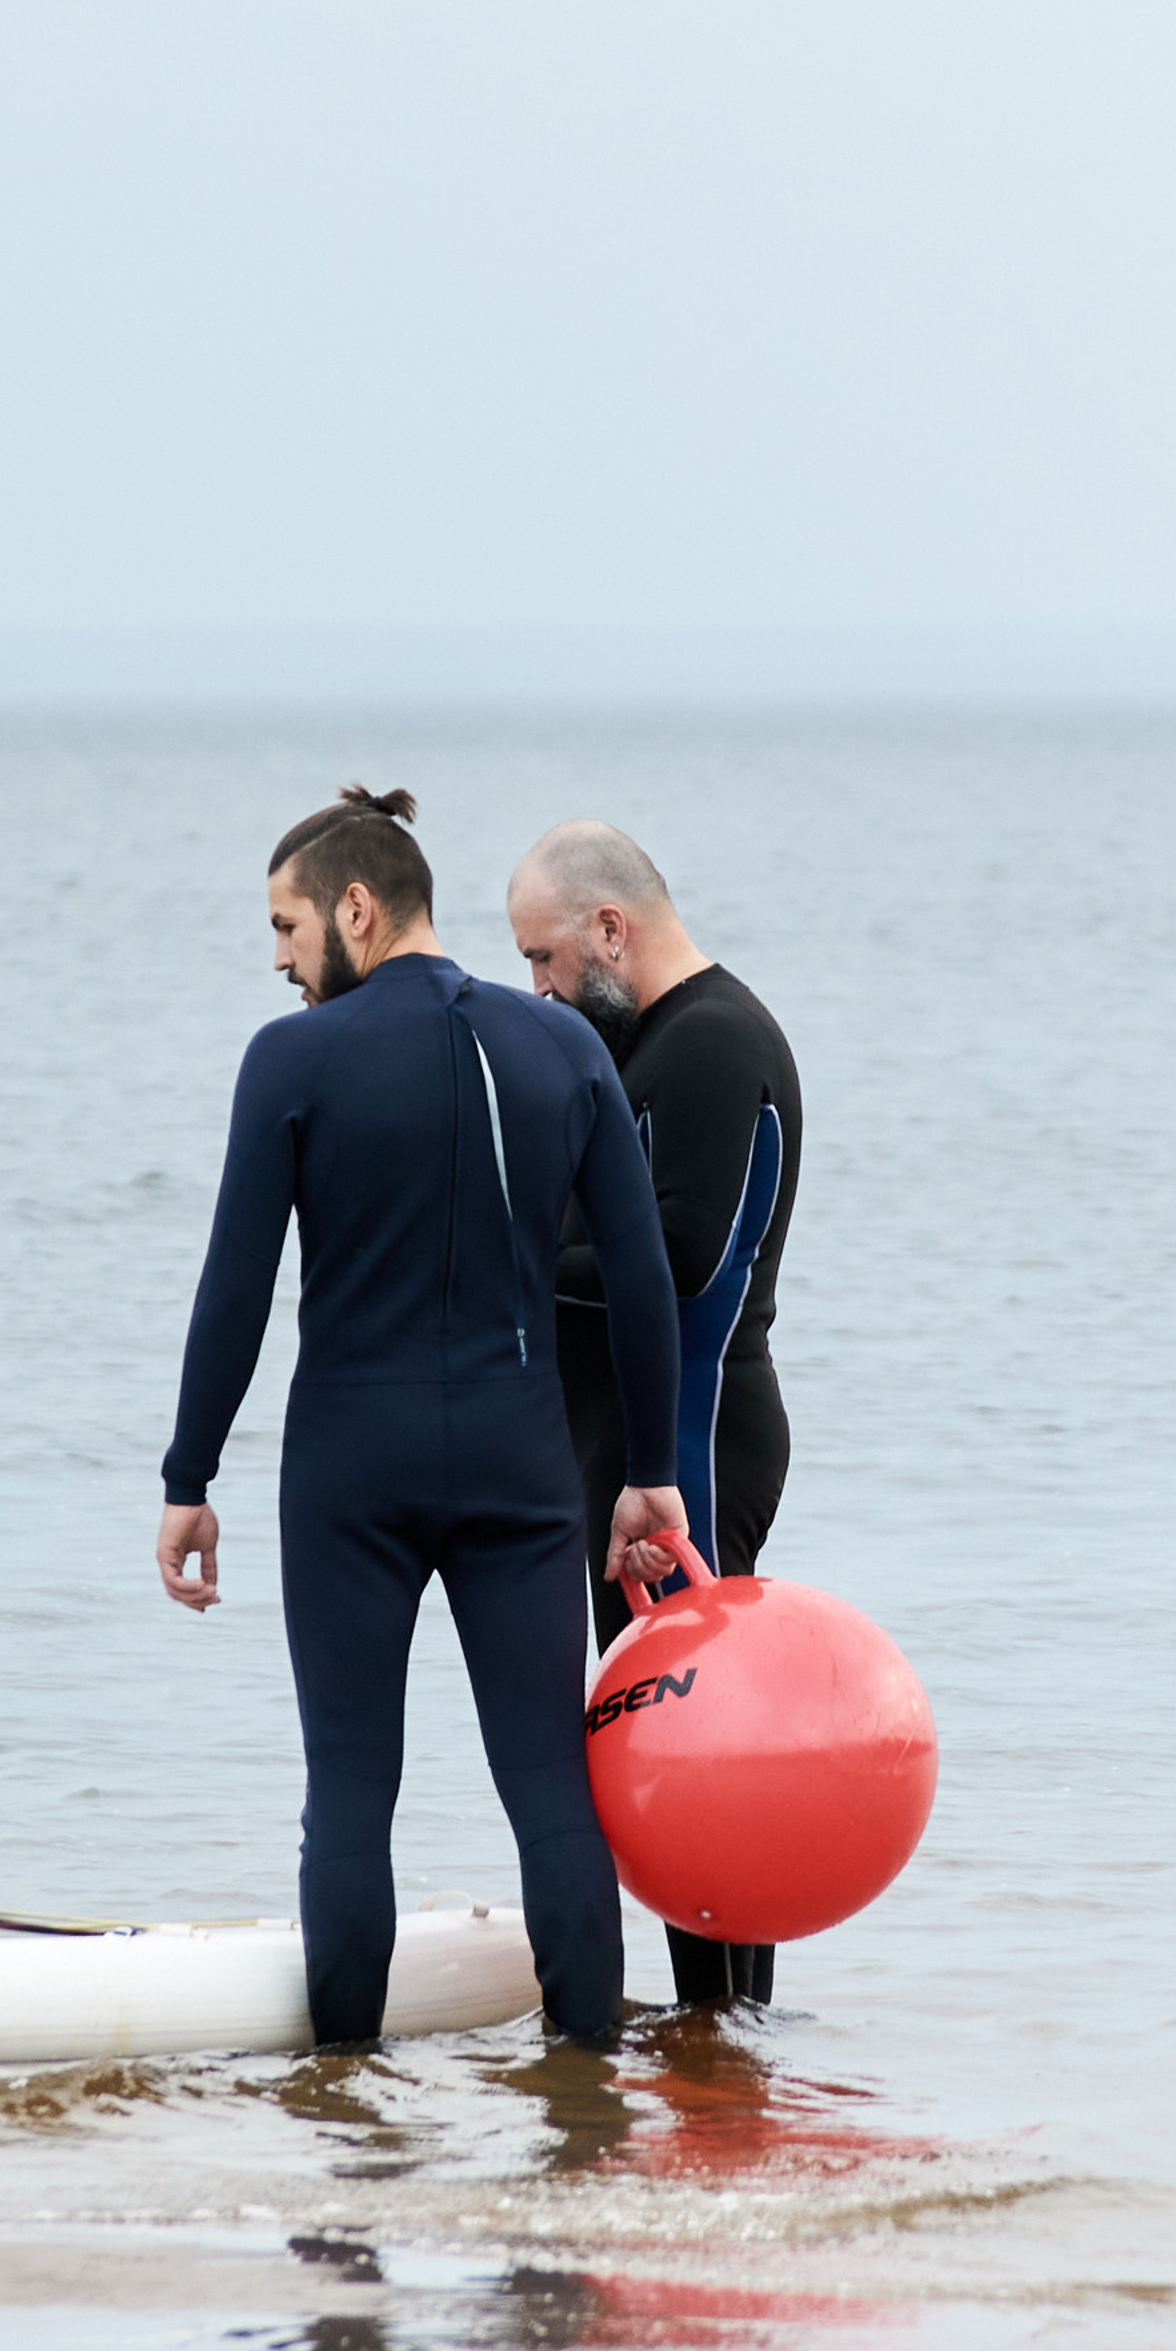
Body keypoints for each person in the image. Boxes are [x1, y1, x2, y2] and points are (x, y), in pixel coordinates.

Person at [155, 786, 688, 2049]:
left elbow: (236, 1285)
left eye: (286, 925)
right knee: (550, 1785)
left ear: (357, 908)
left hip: (351, 1464)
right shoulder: (562, 1048)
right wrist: (650, 1467)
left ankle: (344, 2105)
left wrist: (189, 1475)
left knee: (349, 1790)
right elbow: (639, 1274)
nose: (277, 958)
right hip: (518, 1460)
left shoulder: (290, 1060)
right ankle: (588, 2094)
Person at [505, 819, 803, 2008]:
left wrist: (510, 1267)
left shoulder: (713, 1043)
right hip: (641, 1443)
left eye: (544, 958)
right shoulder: (653, 1046)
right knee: (674, 1741)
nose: (539, 987)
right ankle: (717, 2035)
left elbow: (680, 1257)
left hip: (694, 1440)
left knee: (699, 1745)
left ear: (609, 929)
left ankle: (724, 2028)